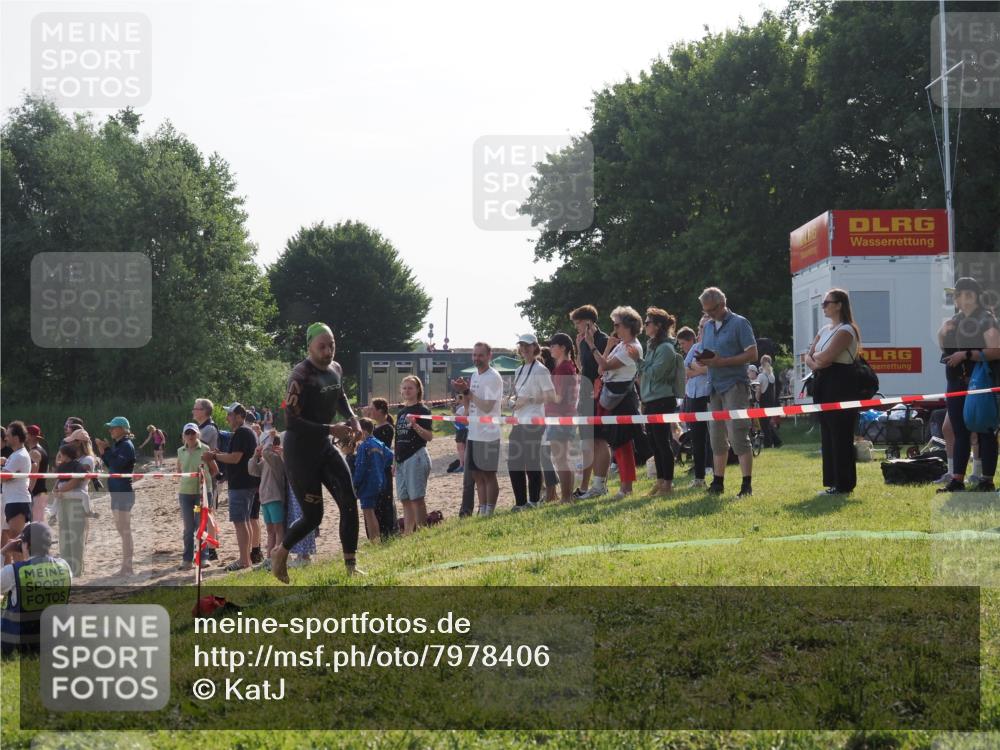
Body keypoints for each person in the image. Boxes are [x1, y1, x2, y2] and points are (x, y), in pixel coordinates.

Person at [270, 323, 362, 584]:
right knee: (313, 517)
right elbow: (291, 422)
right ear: (309, 346)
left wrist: (353, 419)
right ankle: (281, 553)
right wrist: (330, 427)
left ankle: (351, 567)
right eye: (322, 346)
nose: (328, 351)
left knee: (349, 500)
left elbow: (340, 395)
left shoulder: (336, 369)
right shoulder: (300, 376)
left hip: (323, 446)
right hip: (300, 453)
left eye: (331, 345)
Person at [936, 277, 1000, 493]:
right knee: (959, 431)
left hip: (981, 383)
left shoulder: (986, 319)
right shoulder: (956, 318)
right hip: (956, 383)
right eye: (958, 295)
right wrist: (944, 332)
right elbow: (944, 345)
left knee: (985, 430)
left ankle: (986, 480)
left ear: (974, 296)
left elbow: (996, 350)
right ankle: (957, 480)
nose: (960, 298)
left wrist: (967, 354)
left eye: (965, 294)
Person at [804, 288, 865, 494]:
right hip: (823, 382)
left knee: (841, 434)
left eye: (827, 303)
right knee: (828, 434)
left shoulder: (847, 330)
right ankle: (832, 482)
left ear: (839, 304)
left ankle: (845, 484)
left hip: (841, 384)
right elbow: (809, 355)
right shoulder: (824, 329)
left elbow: (827, 357)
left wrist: (818, 359)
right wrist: (816, 362)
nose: (823, 307)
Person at [698, 287, 758, 497]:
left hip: (735, 385)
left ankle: (746, 484)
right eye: (705, 311)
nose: (709, 314)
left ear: (722, 303)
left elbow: (752, 353)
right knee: (716, 437)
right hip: (714, 386)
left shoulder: (740, 323)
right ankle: (718, 482)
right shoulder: (707, 327)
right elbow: (709, 355)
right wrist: (704, 359)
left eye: (712, 310)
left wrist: (722, 362)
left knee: (738, 434)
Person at [580, 306, 644, 500]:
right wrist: (606, 347)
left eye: (617, 324)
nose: (614, 328)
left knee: (623, 444)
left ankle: (627, 488)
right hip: (614, 397)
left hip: (623, 399)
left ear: (628, 326)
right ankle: (624, 487)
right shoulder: (621, 344)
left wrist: (592, 345)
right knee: (618, 444)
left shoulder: (632, 346)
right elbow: (601, 369)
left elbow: (605, 365)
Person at [633, 307, 685, 496]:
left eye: (647, 323)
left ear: (658, 326)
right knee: (654, 443)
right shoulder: (653, 346)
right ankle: (661, 480)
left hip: (663, 400)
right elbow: (647, 373)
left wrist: (638, 360)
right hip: (651, 400)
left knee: (663, 443)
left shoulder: (666, 349)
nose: (644, 326)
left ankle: (668, 485)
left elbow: (655, 374)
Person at [1, 523, 71, 656]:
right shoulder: (64, 566)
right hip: (54, 640)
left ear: (26, 545)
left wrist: (3, 552)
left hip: (20, 642)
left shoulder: (13, 571)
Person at [205, 404, 260, 572]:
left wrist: (214, 456)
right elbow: (236, 457)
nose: (227, 417)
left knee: (240, 522)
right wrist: (220, 454)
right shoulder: (245, 432)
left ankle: (244, 560)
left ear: (238, 416)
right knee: (245, 522)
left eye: (230, 414)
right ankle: (247, 558)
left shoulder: (243, 432)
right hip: (246, 483)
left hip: (242, 484)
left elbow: (235, 458)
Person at [451, 343, 503, 516]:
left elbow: (487, 407)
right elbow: (470, 404)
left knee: (488, 474)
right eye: (474, 355)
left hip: (488, 433)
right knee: (476, 475)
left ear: (489, 355)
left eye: (480, 355)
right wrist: (463, 392)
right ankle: (482, 509)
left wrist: (468, 392)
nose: (476, 359)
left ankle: (490, 509)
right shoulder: (474, 375)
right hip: (473, 432)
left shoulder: (493, 377)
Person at [508, 334, 556, 510]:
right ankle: (520, 502)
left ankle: (534, 501)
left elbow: (551, 396)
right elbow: (518, 395)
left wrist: (528, 399)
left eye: (527, 345)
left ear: (535, 347)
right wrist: (512, 400)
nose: (524, 348)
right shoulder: (519, 370)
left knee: (531, 461)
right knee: (514, 462)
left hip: (535, 420)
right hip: (519, 420)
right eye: (521, 345)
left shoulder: (541, 370)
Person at [570, 305, 611, 496]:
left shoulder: (602, 340)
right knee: (587, 442)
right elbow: (581, 368)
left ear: (589, 321)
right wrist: (579, 347)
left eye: (578, 323)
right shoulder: (584, 341)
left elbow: (603, 367)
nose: (576, 327)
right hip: (585, 396)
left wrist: (590, 344)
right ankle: (587, 486)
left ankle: (600, 485)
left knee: (599, 440)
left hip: (598, 396)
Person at [95, 417, 137, 577]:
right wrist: (103, 450)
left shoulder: (126, 445)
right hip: (117, 492)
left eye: (113, 428)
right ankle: (126, 566)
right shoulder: (119, 444)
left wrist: (106, 449)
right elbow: (111, 465)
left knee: (125, 531)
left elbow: (118, 465)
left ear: (122, 429)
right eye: (110, 428)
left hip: (124, 491)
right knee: (122, 530)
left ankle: (128, 567)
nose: (110, 430)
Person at [176, 423, 219, 570]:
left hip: (202, 494)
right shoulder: (180, 451)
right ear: (184, 436)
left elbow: (214, 470)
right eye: (187, 433)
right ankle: (187, 559)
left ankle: (204, 557)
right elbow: (179, 471)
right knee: (188, 528)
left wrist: (205, 483)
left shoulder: (205, 449)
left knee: (201, 525)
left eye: (193, 433)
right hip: (185, 493)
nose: (190, 436)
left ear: (197, 434)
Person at [545, 333, 581, 503]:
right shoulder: (566, 366)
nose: (550, 348)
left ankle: (566, 497)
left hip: (560, 416)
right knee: (563, 458)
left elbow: (558, 397)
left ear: (563, 348)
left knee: (562, 459)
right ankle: (567, 496)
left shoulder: (563, 368)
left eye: (553, 345)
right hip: (563, 416)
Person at [395, 375, 434, 533]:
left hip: (416, 456)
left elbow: (429, 437)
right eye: (404, 388)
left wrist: (415, 425)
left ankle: (422, 532)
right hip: (400, 460)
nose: (407, 391)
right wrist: (394, 460)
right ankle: (409, 533)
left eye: (410, 387)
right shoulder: (401, 412)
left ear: (418, 390)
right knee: (404, 499)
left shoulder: (422, 410)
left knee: (417, 498)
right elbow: (398, 437)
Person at [679, 322, 712, 488]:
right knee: (697, 436)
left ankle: (711, 468)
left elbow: (711, 369)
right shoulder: (696, 346)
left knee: (711, 435)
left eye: (703, 327)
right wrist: (701, 368)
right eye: (699, 327)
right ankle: (699, 477)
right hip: (692, 395)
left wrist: (697, 368)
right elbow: (685, 367)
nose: (700, 331)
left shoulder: (715, 346)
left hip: (708, 395)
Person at [352, 418, 395, 543]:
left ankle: (374, 541)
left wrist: (355, 484)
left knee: (369, 513)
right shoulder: (379, 443)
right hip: (380, 481)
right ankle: (377, 539)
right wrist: (379, 467)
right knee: (374, 512)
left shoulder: (363, 446)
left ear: (363, 432)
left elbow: (360, 467)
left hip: (367, 484)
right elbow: (389, 457)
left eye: (357, 432)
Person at [248, 429, 286, 561]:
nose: (262, 445)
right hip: (265, 499)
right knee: (270, 530)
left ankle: (278, 557)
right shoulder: (265, 460)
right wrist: (255, 456)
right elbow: (252, 470)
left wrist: (270, 439)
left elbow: (266, 452)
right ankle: (269, 558)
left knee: (278, 528)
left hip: (275, 497)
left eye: (264, 442)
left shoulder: (276, 459)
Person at [51, 444, 88, 576]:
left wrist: (61, 489)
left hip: (74, 502)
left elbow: (76, 480)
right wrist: (55, 489)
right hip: (62, 501)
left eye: (60, 453)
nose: (59, 455)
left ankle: (77, 570)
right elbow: (57, 480)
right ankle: (66, 567)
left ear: (65, 454)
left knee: (75, 535)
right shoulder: (61, 466)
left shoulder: (77, 465)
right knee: (64, 534)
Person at [369, 398, 398, 539]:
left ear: (380, 411)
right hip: (374, 469)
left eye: (372, 409)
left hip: (382, 469)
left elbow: (379, 447)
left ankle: (387, 532)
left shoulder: (387, 428)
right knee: (376, 501)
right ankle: (379, 532)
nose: (370, 411)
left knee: (385, 501)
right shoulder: (375, 428)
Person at [1, 423, 33, 548]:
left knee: (17, 544)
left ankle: (20, 568)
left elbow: (3, 477)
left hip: (18, 501)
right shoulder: (16, 455)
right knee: (9, 542)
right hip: (11, 500)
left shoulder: (19, 456)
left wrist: (5, 472)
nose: (6, 438)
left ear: (16, 437)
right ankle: (7, 567)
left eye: (8, 435)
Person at [757, 355, 783, 448]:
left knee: (764, 424)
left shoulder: (761, 376)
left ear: (761, 363)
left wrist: (756, 400)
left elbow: (759, 390)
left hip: (763, 402)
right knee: (768, 424)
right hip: (771, 401)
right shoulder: (771, 375)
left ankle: (768, 443)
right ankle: (777, 441)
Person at [25, 426, 48, 523]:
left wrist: (29, 491)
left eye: (26, 434)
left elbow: (33, 475)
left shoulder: (34, 452)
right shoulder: (42, 450)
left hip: (36, 492)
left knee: (36, 525)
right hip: (40, 491)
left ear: (31, 436)